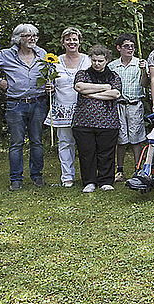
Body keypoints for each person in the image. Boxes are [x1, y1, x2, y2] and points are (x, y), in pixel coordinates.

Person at [0, 24, 48, 191]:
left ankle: (37, 176)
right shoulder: (6, 55)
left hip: (38, 102)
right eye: (27, 35)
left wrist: (49, 84)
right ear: (18, 38)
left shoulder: (43, 53)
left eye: (34, 35)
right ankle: (16, 179)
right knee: (16, 142)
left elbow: (49, 73)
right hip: (15, 104)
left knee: (37, 141)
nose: (32, 38)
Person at [72, 45, 122, 193]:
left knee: (106, 152)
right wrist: (104, 87)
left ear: (106, 60)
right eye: (94, 60)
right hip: (83, 121)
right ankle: (89, 181)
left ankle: (106, 180)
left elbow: (115, 94)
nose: (97, 64)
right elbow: (80, 87)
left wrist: (92, 94)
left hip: (108, 122)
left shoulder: (113, 76)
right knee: (86, 152)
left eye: (100, 61)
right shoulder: (82, 74)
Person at [48, 27, 91, 187]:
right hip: (62, 108)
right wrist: (49, 87)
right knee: (65, 143)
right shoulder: (54, 61)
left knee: (86, 144)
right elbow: (51, 82)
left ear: (80, 42)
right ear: (63, 42)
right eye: (68, 39)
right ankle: (67, 177)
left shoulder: (87, 60)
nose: (71, 42)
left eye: (74, 39)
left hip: (84, 108)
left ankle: (88, 177)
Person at [109, 33, 149, 182]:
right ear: (119, 48)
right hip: (118, 105)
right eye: (126, 46)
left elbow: (145, 84)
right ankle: (119, 170)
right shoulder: (112, 66)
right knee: (121, 139)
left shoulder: (140, 64)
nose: (130, 49)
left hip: (134, 105)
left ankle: (137, 169)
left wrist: (144, 71)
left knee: (136, 138)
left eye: (132, 46)